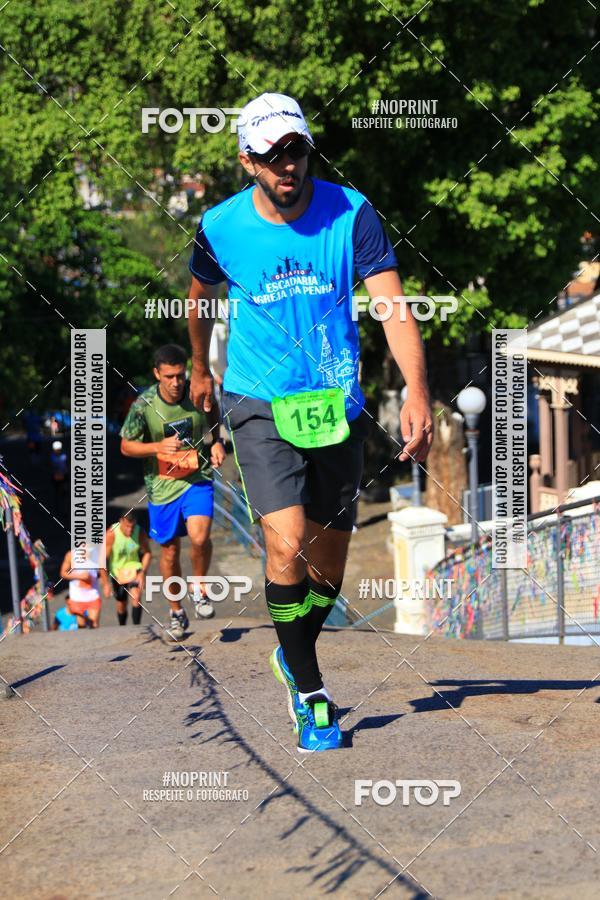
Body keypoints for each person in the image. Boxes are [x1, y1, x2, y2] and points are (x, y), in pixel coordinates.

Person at [186, 92, 433, 752]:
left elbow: (392, 305)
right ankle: (312, 693)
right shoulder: (220, 227)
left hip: (335, 404)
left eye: (296, 149)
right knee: (286, 545)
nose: (288, 164)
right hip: (258, 400)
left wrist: (416, 389)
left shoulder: (352, 214)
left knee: (327, 572)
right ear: (248, 162)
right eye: (271, 154)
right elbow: (199, 298)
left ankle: (292, 653)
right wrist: (200, 368)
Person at [120, 344, 226, 640]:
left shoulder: (198, 392)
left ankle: (200, 589)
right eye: (169, 376)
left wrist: (216, 441)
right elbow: (125, 445)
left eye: (180, 375)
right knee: (169, 552)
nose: (176, 382)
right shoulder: (143, 406)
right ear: (157, 374)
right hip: (162, 488)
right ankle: (177, 612)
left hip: (197, 477)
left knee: (200, 536)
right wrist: (156, 447)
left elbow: (213, 413)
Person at [101, 511, 152, 625]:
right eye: (127, 527)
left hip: (134, 567)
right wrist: (105, 584)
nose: (130, 530)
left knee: (136, 596)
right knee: (121, 604)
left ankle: (137, 628)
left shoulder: (139, 532)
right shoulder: (111, 534)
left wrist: (143, 572)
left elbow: (148, 553)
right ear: (121, 522)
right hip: (117, 571)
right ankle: (122, 627)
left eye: (132, 527)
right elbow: (102, 560)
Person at [59, 547, 102, 628]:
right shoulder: (71, 555)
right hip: (78, 596)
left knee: (94, 625)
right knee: (81, 626)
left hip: (93, 594)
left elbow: (102, 571)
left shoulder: (97, 554)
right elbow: (63, 573)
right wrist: (80, 576)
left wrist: (105, 583)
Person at [50, 440, 68, 508]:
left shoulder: (63, 456)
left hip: (63, 475)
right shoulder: (53, 457)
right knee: (57, 491)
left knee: (64, 492)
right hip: (56, 476)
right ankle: (57, 505)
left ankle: (63, 506)